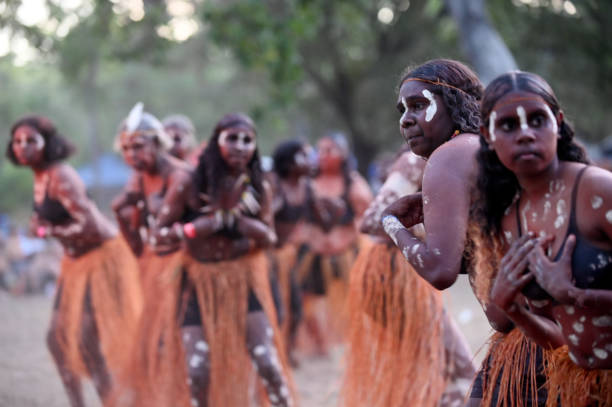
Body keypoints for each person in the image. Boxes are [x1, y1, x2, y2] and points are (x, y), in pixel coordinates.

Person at [379, 59, 544, 406]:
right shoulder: (484, 150)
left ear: (455, 103)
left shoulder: (449, 157)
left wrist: (393, 225)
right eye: (402, 109)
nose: (406, 119)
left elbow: (440, 271)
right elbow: (491, 253)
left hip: (538, 337)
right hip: (549, 329)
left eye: (419, 105)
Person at [135, 113, 294, 407]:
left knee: (267, 362)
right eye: (231, 138)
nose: (240, 146)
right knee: (197, 370)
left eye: (247, 140)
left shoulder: (260, 188)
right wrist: (195, 229)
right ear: (215, 142)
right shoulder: (190, 184)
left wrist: (245, 227)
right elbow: (156, 237)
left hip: (243, 280)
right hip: (195, 283)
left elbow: (270, 239)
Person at [473, 71, 611, 406]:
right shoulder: (510, 220)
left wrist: (575, 294)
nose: (525, 135)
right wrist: (513, 309)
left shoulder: (596, 191)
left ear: (558, 123)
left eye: (537, 120)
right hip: (582, 386)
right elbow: (562, 338)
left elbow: (573, 301)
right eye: (508, 125)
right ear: (487, 135)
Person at [6, 115, 142, 407]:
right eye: (17, 141)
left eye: (31, 140)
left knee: (85, 343)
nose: (23, 147)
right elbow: (48, 221)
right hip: (74, 262)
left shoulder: (61, 175)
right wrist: (39, 225)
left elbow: (92, 226)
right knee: (56, 340)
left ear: (48, 144)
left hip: (101, 259)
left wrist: (49, 230)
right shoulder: (40, 175)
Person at [342, 146, 476, 407]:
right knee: (456, 369)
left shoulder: (452, 157)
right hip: (392, 276)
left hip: (401, 273)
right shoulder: (415, 160)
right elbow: (371, 221)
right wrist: (428, 233)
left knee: (438, 370)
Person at [296, 133, 372, 353]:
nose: (323, 155)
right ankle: (319, 343)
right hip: (314, 254)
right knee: (305, 300)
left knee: (358, 298)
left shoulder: (353, 182)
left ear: (343, 153)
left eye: (330, 150)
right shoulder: (307, 183)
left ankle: (358, 340)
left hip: (346, 253)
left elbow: (365, 215)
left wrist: (347, 236)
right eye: (319, 150)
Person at [271, 138, 334, 366]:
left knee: (295, 309)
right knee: (275, 309)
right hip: (264, 257)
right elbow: (262, 224)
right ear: (288, 163)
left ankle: (286, 352)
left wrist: (333, 211)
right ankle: (273, 354)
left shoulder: (307, 188)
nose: (311, 160)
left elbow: (325, 224)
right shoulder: (273, 185)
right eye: (304, 155)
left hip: (285, 257)